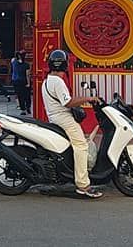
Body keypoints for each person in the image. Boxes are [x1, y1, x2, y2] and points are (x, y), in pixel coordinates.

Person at [42, 49, 102, 199]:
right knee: (81, 146)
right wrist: (88, 99)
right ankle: (83, 184)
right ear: (65, 65)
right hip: (63, 118)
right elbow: (67, 102)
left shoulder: (47, 80)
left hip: (55, 117)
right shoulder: (58, 81)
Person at [10, 50, 31, 115]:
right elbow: (27, 75)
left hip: (16, 81)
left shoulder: (14, 61)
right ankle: (28, 107)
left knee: (20, 95)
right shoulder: (26, 65)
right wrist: (28, 83)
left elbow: (13, 58)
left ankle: (23, 109)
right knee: (27, 95)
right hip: (23, 81)